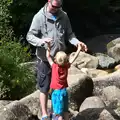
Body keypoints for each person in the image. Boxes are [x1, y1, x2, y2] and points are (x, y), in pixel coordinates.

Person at [26, 0, 88, 119]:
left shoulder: (63, 16)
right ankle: (44, 114)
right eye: (54, 6)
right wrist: (41, 41)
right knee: (44, 87)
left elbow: (70, 35)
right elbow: (29, 36)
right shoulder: (39, 17)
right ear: (48, 1)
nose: (56, 9)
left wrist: (77, 43)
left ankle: (57, 113)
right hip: (45, 58)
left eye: (59, 6)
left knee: (58, 88)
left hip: (60, 61)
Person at [46, 42, 81, 120]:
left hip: (57, 93)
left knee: (58, 114)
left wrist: (48, 47)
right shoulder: (66, 66)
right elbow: (73, 59)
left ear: (55, 60)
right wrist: (78, 49)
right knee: (65, 111)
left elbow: (48, 56)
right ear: (65, 61)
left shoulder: (54, 67)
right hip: (64, 92)